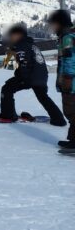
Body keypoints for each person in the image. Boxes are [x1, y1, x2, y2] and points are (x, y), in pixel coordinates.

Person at [0, 23, 65, 126]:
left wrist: (22, 78)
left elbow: (25, 63)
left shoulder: (21, 46)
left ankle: (8, 115)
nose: (11, 37)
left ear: (19, 35)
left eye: (13, 35)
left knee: (7, 88)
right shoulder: (32, 45)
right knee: (43, 97)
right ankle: (58, 119)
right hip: (41, 76)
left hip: (30, 76)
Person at [47, 9, 75, 149]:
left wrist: (68, 79)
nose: (52, 27)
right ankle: (72, 140)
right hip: (70, 81)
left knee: (71, 111)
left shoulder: (67, 38)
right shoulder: (68, 35)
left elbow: (70, 59)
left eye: (53, 24)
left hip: (71, 82)